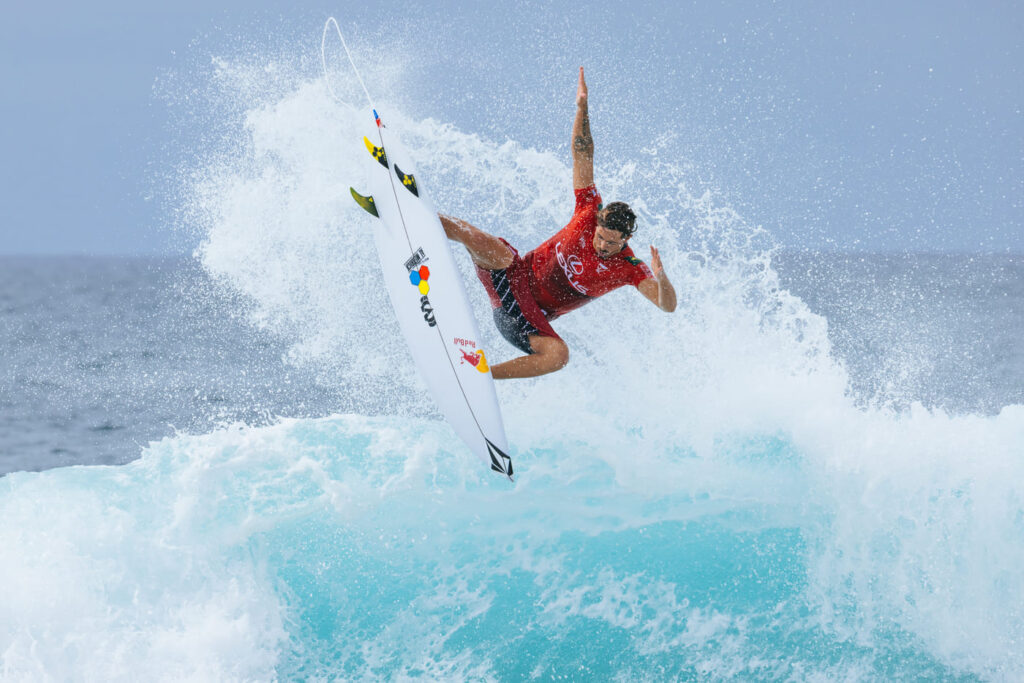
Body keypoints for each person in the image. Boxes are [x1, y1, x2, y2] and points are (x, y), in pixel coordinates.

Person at [440, 67, 677, 380]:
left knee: (559, 355)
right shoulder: (589, 208)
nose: (603, 245)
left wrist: (661, 279)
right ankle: (416, 216)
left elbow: (666, 306)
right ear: (597, 224)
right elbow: (582, 151)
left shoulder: (629, 267)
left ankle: (478, 376)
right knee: (487, 244)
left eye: (612, 243)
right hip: (511, 278)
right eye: (601, 237)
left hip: (524, 320)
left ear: (625, 240)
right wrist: (582, 108)